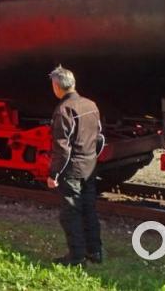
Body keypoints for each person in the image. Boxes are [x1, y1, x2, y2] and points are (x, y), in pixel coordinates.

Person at [46, 65, 104, 266]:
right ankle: (95, 251)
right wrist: (92, 158)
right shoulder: (91, 105)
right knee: (89, 209)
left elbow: (62, 148)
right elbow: (99, 138)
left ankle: (77, 256)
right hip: (89, 166)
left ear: (57, 86)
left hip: (72, 169)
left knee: (71, 213)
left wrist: (53, 174)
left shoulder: (63, 110)